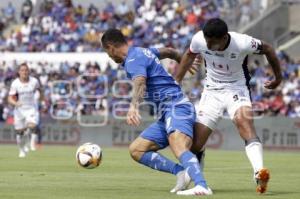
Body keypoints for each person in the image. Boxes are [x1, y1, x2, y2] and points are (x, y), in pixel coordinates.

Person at [176, 18, 282, 194]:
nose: (208, 45)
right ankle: (199, 183)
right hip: (212, 91)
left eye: (212, 42)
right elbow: (189, 54)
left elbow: (269, 48)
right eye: (206, 40)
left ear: (224, 37)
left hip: (237, 90)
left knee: (244, 124)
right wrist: (177, 80)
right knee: (196, 143)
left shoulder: (242, 42)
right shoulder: (199, 39)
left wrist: (278, 77)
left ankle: (259, 172)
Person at [101, 29, 212, 196]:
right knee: (137, 150)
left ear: (110, 47)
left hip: (177, 106)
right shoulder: (142, 51)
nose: (110, 57)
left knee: (177, 143)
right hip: (165, 113)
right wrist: (183, 60)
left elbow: (140, 82)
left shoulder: (132, 60)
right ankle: (181, 172)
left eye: (107, 53)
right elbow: (169, 51)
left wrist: (133, 106)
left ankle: (202, 185)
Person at [8, 63, 43, 158]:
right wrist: (16, 103)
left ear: (29, 71)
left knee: (33, 126)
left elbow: (40, 90)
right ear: (19, 72)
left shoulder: (34, 81)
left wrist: (41, 99)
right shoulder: (15, 83)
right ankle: (21, 150)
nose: (24, 72)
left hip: (31, 108)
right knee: (19, 134)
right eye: (22, 70)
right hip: (19, 111)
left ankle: (32, 144)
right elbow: (10, 98)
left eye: (26, 70)